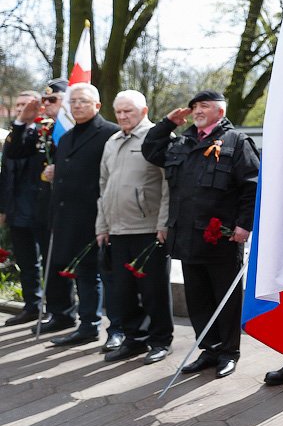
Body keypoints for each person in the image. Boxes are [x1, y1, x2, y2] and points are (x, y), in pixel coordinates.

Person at [142, 90, 259, 379]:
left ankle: (229, 352)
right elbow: (151, 150)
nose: (196, 111)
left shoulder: (236, 142)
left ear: (220, 111)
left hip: (222, 237)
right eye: (194, 107)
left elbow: (252, 185)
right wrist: (168, 123)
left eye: (204, 106)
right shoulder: (182, 141)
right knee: (198, 298)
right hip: (187, 236)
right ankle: (209, 348)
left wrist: (245, 225)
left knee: (225, 299)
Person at [96, 90, 173, 364]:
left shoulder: (158, 139)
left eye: (128, 111)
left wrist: (163, 223)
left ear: (144, 110)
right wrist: (101, 225)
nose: (122, 116)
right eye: (118, 112)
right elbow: (104, 186)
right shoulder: (112, 141)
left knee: (153, 291)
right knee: (123, 292)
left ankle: (161, 341)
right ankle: (134, 339)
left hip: (148, 229)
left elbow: (168, 186)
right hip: (117, 229)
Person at [46, 83, 120, 347]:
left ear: (97, 105)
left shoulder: (111, 133)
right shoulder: (65, 138)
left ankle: (117, 331)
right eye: (73, 102)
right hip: (69, 219)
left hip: (100, 217)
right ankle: (88, 325)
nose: (77, 106)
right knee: (84, 275)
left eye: (83, 101)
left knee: (109, 277)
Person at [0, 90, 47, 325]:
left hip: (41, 208)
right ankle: (32, 305)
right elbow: (6, 174)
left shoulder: (45, 132)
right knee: (26, 261)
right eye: (17, 105)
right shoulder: (14, 135)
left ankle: (58, 310)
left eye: (25, 104)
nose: (21, 109)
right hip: (17, 209)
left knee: (49, 260)